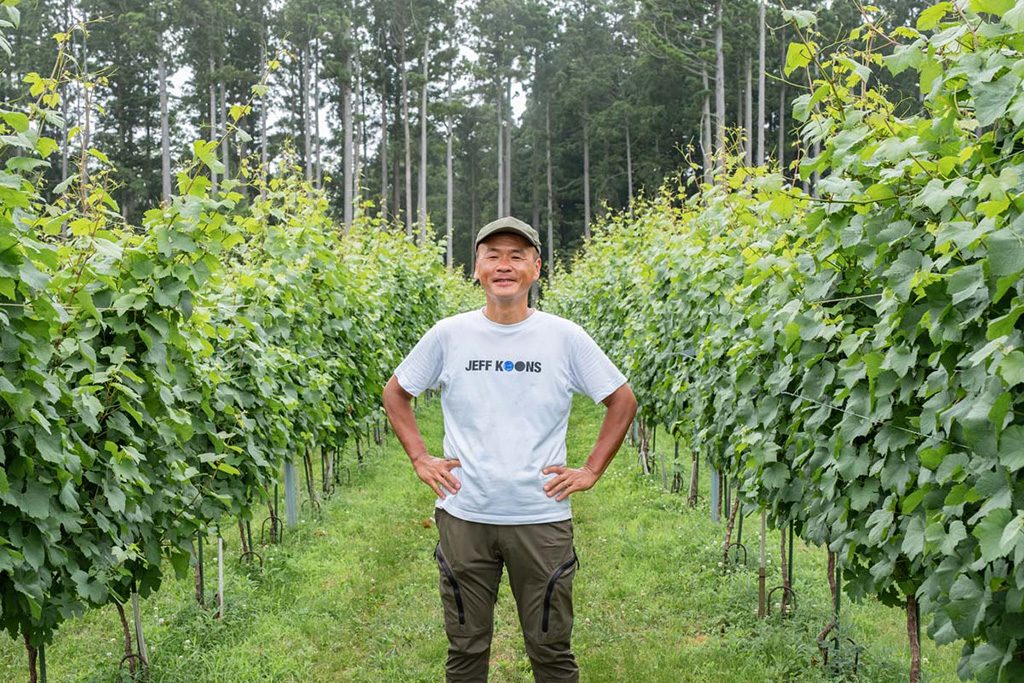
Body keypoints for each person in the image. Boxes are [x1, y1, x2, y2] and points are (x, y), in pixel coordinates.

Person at [382, 216, 637, 683]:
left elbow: (622, 400)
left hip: (540, 519)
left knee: (551, 649)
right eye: (493, 256)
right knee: (465, 649)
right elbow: (396, 392)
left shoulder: (564, 337)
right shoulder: (448, 335)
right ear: (475, 268)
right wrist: (420, 457)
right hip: (464, 515)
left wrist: (591, 470)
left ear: (535, 268)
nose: (504, 265)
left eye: (517, 256)